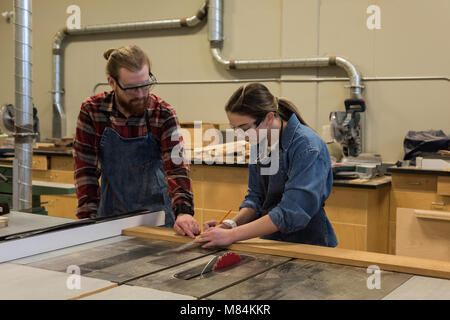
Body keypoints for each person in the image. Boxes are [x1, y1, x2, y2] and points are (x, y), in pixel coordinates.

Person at [73, 45, 200, 237]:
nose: (141, 94)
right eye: (132, 88)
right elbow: (85, 171)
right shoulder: (92, 111)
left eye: (145, 84)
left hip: (157, 218)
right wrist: (87, 218)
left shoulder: (162, 113)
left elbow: (176, 167)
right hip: (111, 217)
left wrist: (183, 212)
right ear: (112, 83)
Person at [196, 83, 338, 248]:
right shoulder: (260, 141)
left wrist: (232, 235)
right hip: (270, 242)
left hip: (308, 246)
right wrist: (230, 225)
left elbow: (292, 212)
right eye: (235, 129)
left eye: (244, 128)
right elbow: (256, 198)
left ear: (269, 118)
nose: (242, 137)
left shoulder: (307, 148)